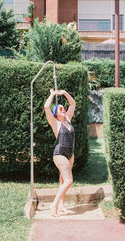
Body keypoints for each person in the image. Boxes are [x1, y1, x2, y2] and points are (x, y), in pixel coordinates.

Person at [44, 89, 76, 217]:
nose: (63, 109)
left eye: (64, 108)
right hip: (60, 154)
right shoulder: (55, 122)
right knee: (69, 181)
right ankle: (54, 205)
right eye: (60, 109)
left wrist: (64, 93)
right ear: (56, 114)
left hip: (70, 154)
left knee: (63, 181)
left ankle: (61, 205)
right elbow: (46, 107)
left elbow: (72, 103)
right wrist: (52, 94)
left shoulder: (68, 120)